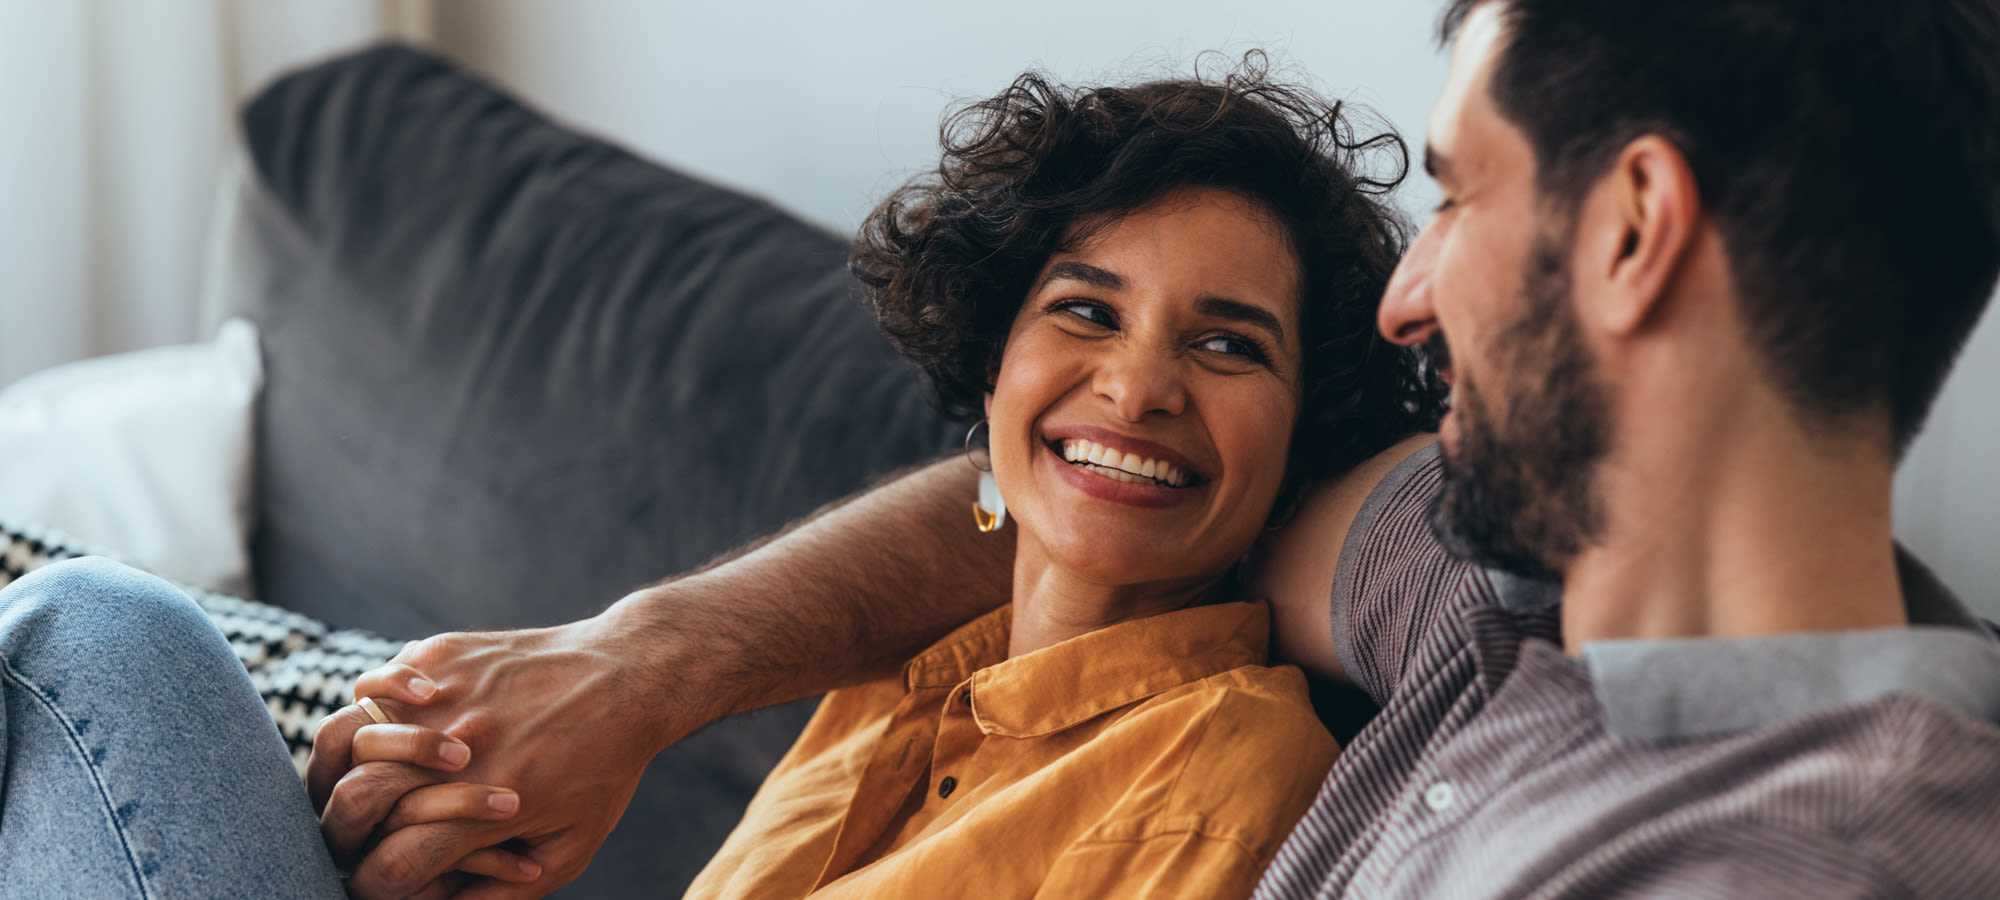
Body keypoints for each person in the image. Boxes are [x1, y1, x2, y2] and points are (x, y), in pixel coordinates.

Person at [319, 0, 2000, 897]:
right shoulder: (1472, 585)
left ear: (1633, 230)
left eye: (1464, 193)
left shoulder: (1806, 852)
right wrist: (646, 664)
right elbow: (1097, 502)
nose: (1412, 298)